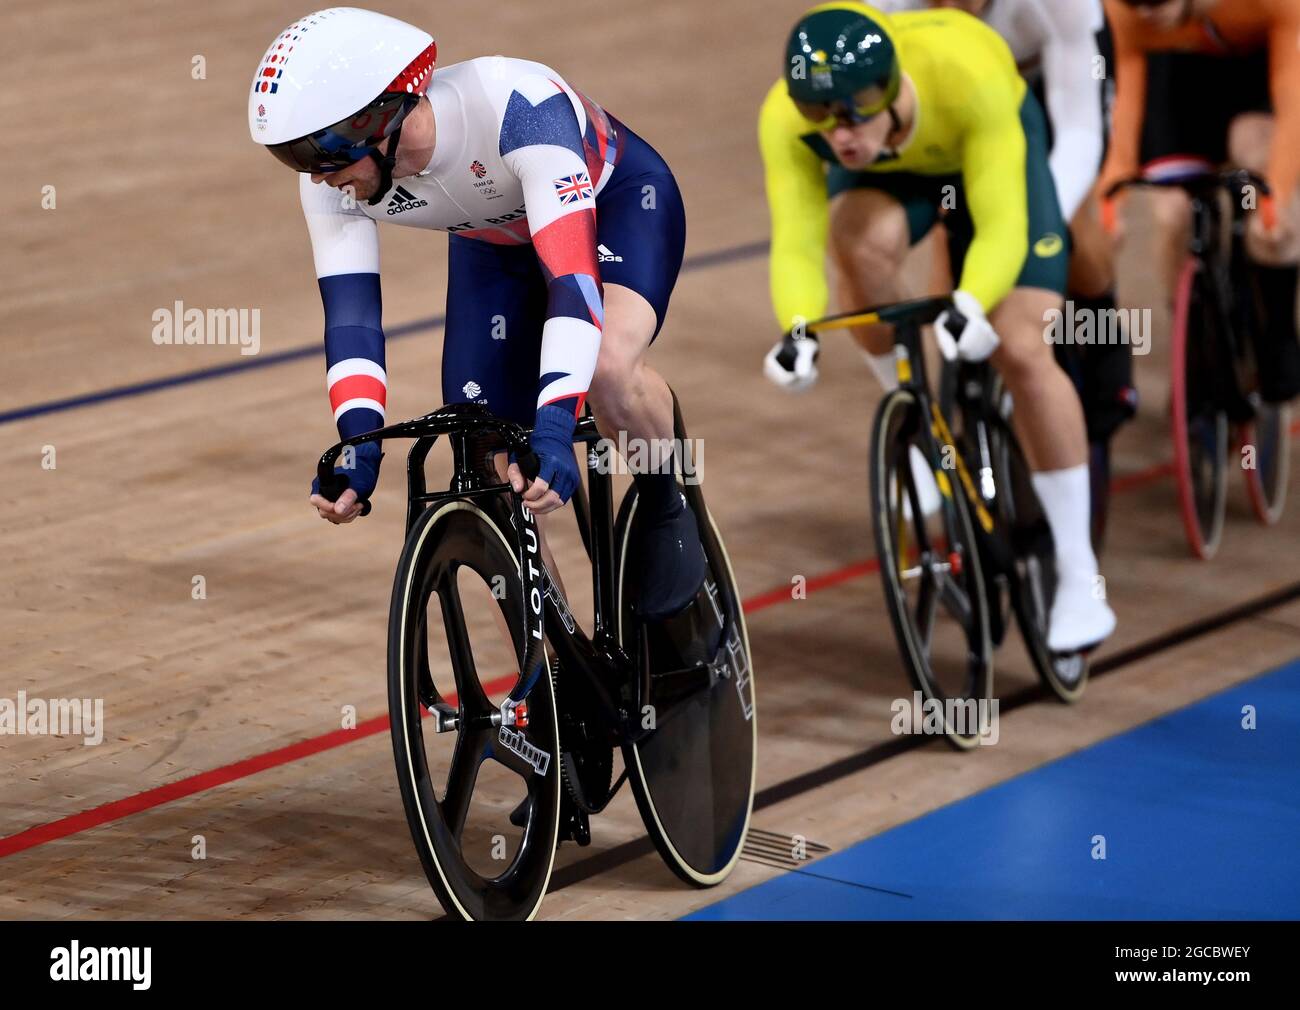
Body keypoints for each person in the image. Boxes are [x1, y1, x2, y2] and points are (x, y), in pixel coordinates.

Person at [248, 7, 703, 619]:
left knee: (608, 367)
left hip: (614, 206)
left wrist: (553, 426)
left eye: (318, 154)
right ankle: (555, 669)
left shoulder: (519, 108)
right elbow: (352, 321)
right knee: (481, 445)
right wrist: (359, 445)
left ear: (377, 119)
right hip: (494, 247)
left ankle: (664, 500)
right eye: (291, 158)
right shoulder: (329, 181)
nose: (312, 177)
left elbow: (572, 284)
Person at [760, 2, 1116, 652]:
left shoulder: (968, 68)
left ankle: (1077, 571)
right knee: (855, 247)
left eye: (857, 105)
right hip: (900, 171)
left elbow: (1005, 223)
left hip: (987, 153)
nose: (839, 131)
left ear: (893, 85)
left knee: (1020, 342)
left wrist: (973, 300)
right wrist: (799, 330)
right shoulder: (790, 118)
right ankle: (921, 422)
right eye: (821, 112)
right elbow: (795, 242)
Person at [877, 0, 1135, 546]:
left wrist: (1036, 227)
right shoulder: (885, 8)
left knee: (1071, 225)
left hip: (1048, 77)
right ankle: (949, 431)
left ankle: (1103, 329)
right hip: (952, 91)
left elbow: (1081, 140)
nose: (951, 8)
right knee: (955, 226)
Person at [1101, 0, 1300, 408]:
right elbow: (1125, 117)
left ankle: (1277, 331)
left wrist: (1274, 201)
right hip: (1180, 75)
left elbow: (1290, 99)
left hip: (1261, 70)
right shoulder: (1128, 11)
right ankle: (1194, 343)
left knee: (1257, 160)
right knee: (1169, 213)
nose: (1145, 12)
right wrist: (1110, 204)